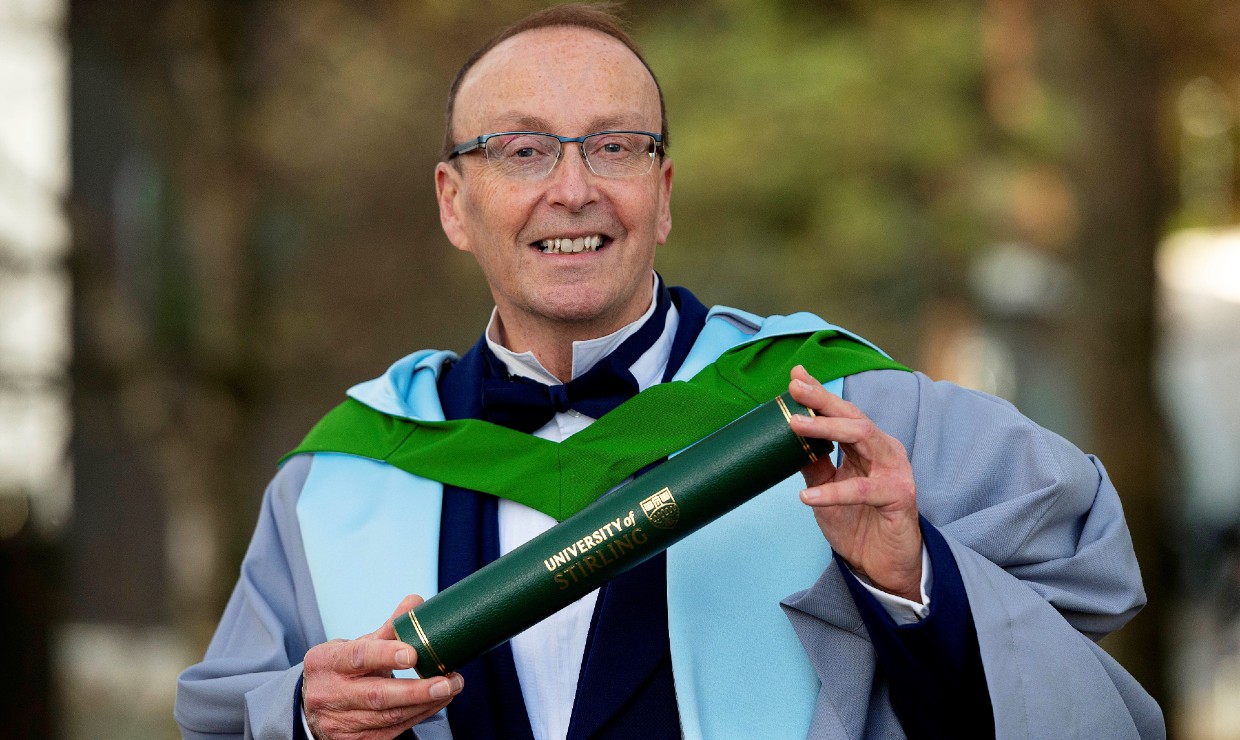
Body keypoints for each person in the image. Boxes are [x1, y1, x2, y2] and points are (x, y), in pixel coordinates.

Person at [175, 5, 1164, 739]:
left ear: (662, 191)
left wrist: (913, 578)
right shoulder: (335, 482)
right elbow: (227, 712)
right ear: (452, 200)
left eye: (615, 145)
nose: (572, 189)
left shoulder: (846, 409)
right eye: (521, 150)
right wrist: (303, 712)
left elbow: (1096, 604)